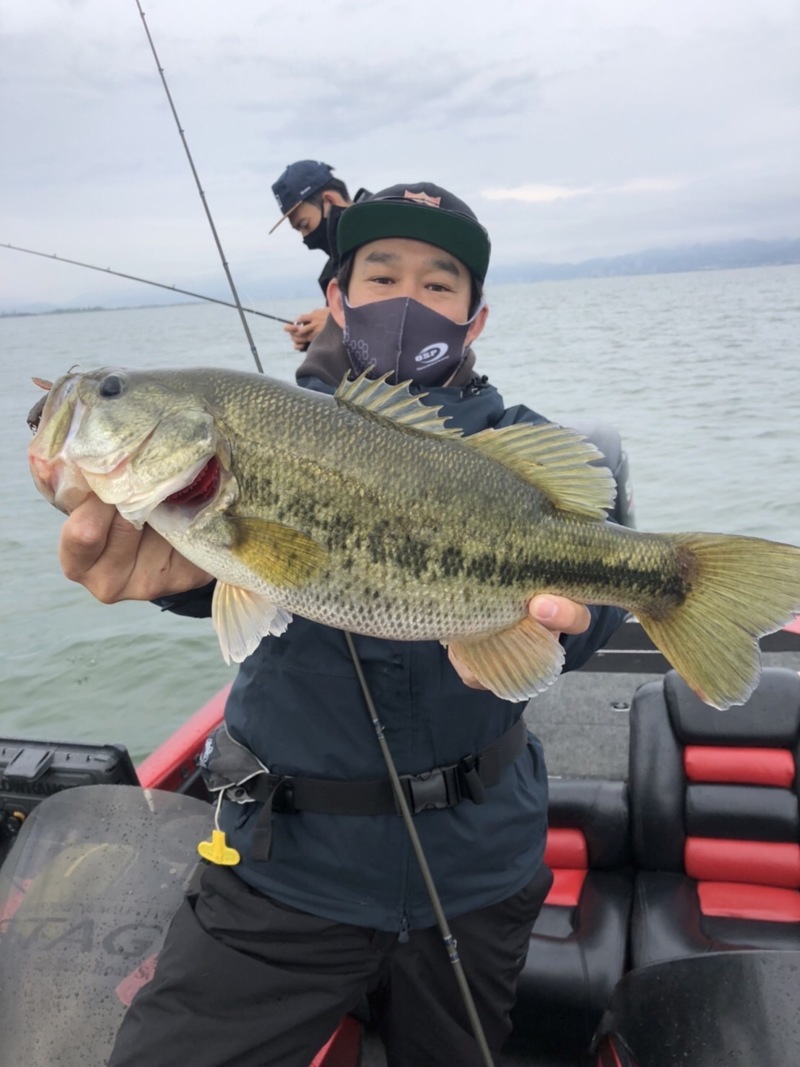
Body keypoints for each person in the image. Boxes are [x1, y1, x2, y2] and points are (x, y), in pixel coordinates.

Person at [58, 182, 627, 1067]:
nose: (407, 298)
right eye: (381, 275)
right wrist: (177, 579)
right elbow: (252, 574)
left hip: (475, 869)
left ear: (475, 318)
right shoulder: (268, 427)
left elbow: (600, 598)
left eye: (438, 284)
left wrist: (568, 627)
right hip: (280, 868)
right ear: (336, 299)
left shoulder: (520, 444)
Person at [269, 159, 369, 351]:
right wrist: (316, 338)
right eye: (299, 230)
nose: (305, 238)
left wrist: (342, 323)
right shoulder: (330, 273)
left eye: (305, 225)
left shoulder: (392, 231)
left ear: (330, 200)